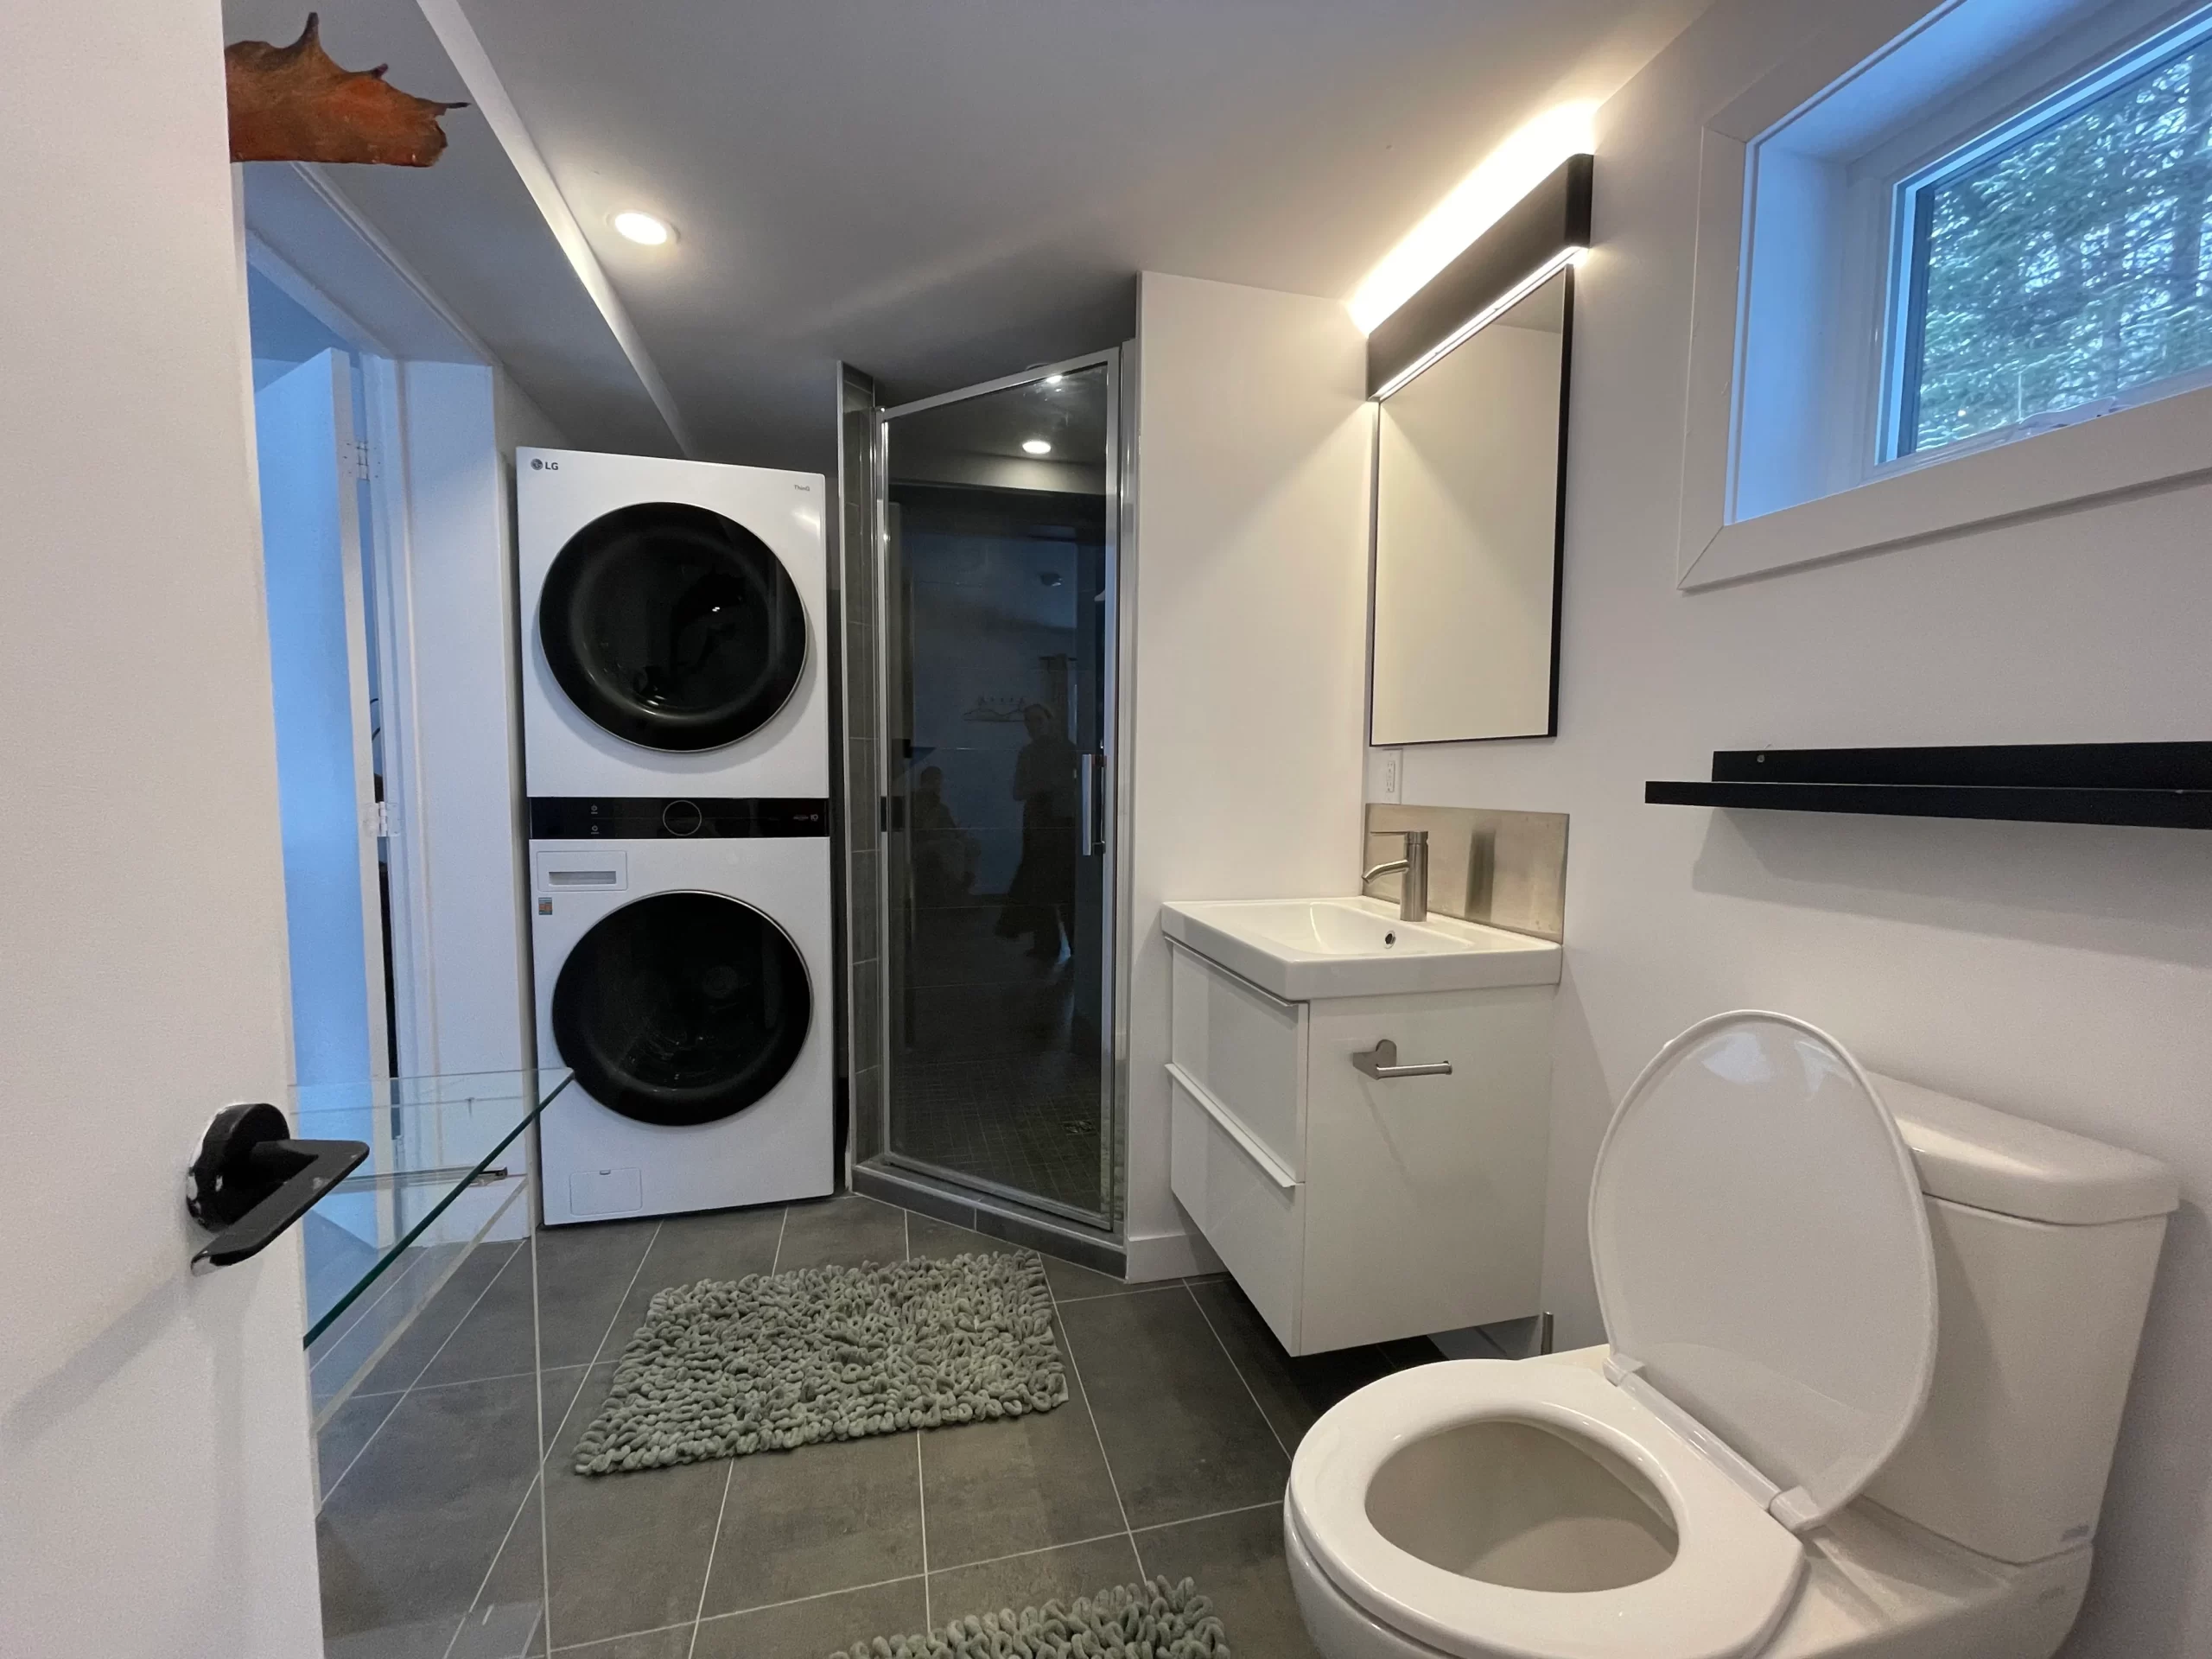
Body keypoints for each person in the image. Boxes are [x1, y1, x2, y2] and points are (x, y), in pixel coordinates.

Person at [998, 703, 1078, 960]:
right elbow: (1017, 791)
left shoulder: (1066, 750)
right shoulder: (1028, 753)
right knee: (1038, 886)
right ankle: (1047, 945)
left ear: (1049, 720)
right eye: (1029, 721)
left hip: (1062, 824)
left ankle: (1072, 944)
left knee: (1064, 886)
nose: (1033, 725)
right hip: (1038, 825)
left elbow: (1078, 783)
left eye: (1037, 720)